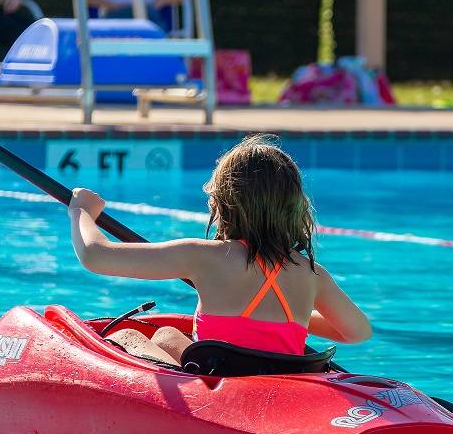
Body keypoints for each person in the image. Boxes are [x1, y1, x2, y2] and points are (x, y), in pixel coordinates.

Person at [67, 135, 372, 364]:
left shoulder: (202, 256)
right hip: (280, 381)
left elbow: (95, 255)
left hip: (218, 381)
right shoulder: (310, 273)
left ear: (222, 203)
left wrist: (81, 211)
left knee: (126, 335)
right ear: (294, 208)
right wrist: (297, 317)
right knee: (166, 335)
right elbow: (356, 333)